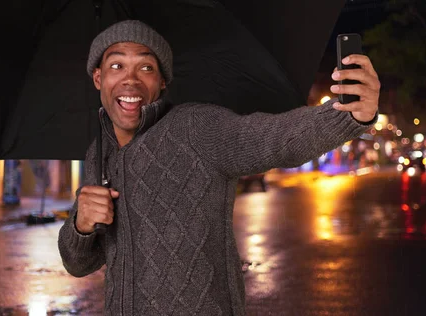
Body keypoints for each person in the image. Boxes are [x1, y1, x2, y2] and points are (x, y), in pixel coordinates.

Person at [58, 20, 380, 315]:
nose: (130, 79)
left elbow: (271, 138)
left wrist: (349, 114)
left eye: (145, 67)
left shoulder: (195, 127)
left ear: (162, 82)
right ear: (99, 77)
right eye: (117, 65)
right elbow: (78, 263)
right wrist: (81, 225)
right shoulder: (97, 155)